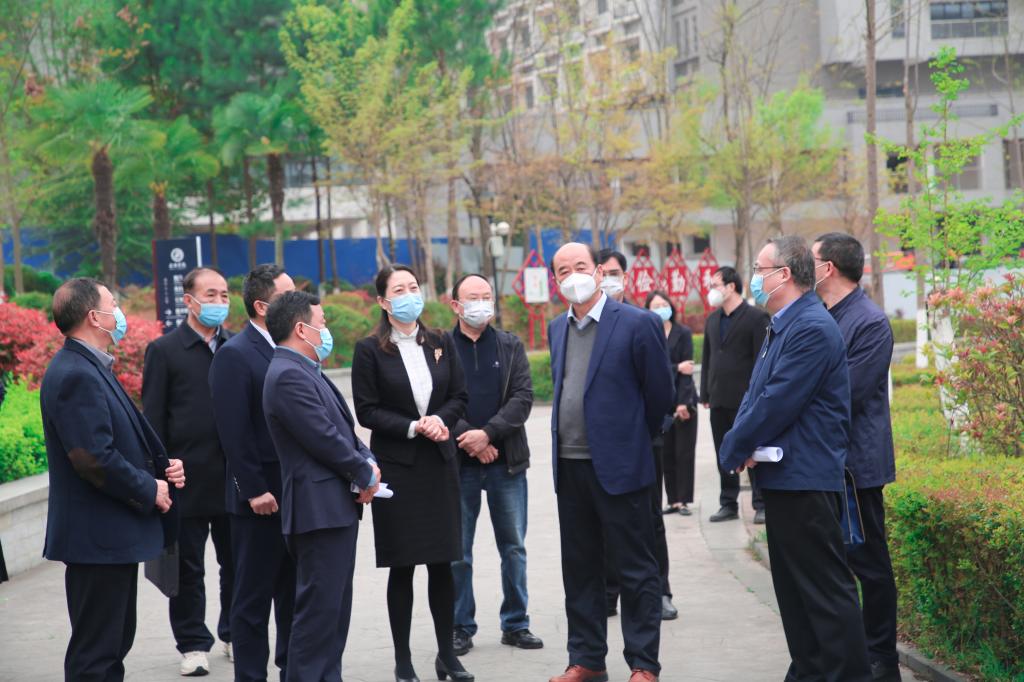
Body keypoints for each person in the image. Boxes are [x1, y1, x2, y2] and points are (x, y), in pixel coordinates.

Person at [719, 236, 871, 681]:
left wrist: (734, 447)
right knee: (795, 595)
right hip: (785, 479)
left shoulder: (810, 327)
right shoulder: (784, 323)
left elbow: (776, 401)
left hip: (806, 480)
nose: (754, 278)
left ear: (783, 274)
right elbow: (755, 394)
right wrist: (741, 442)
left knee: (824, 593)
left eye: (759, 269)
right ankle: (809, 671)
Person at [40, 277, 185, 681]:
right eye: (113, 304)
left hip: (108, 540)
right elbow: (93, 458)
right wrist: (149, 488)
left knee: (113, 645)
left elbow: (115, 443)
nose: (119, 312)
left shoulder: (91, 367)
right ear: (94, 317)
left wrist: (162, 469)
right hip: (96, 541)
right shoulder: (76, 374)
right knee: (97, 655)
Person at [547, 243, 674, 682]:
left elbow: (660, 395)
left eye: (580, 266)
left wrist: (631, 441)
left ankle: (643, 663)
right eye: (564, 270)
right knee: (580, 568)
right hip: (570, 466)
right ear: (555, 281)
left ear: (599, 272)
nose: (573, 276)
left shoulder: (637, 323)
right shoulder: (557, 328)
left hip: (622, 468)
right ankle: (586, 659)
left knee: (636, 568)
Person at [351, 265, 473, 682]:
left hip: (439, 464)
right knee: (402, 566)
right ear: (383, 301)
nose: (409, 295)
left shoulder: (440, 341)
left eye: (413, 287)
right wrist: (412, 426)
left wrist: (440, 420)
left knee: (443, 562)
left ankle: (447, 656)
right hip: (399, 469)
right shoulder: (370, 349)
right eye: (399, 290)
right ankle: (403, 661)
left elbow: (459, 395)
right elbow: (366, 410)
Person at [262, 291, 379, 682]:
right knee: (317, 617)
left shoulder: (306, 369)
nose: (325, 330)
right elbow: (323, 438)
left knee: (333, 614)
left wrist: (367, 461)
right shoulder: (287, 375)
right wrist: (363, 473)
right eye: (322, 323)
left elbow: (343, 431)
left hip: (333, 508)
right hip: (317, 512)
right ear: (301, 329)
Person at [813, 233, 900, 682]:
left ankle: (882, 656)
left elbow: (846, 394)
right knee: (833, 565)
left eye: (811, 259)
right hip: (823, 464)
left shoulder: (869, 322)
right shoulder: (823, 315)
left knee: (870, 564)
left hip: (856, 467)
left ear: (828, 267)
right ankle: (846, 652)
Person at [142, 267, 234, 676]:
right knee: (187, 569)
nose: (219, 302)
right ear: (189, 300)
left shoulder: (235, 347)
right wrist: (160, 474)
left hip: (234, 480)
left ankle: (234, 631)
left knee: (238, 563)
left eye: (224, 294)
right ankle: (193, 643)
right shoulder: (165, 351)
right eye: (210, 294)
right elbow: (153, 419)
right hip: (186, 480)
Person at [446, 274, 542, 657]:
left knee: (513, 547)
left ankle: (516, 623)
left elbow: (522, 398)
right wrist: (471, 440)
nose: (481, 303)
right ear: (456, 305)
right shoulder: (439, 348)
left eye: (487, 296)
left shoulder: (510, 344)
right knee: (458, 552)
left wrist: (487, 435)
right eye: (473, 297)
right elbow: (433, 400)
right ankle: (460, 626)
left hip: (507, 463)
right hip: (458, 464)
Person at [209, 264, 297, 682]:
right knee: (252, 599)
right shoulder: (235, 354)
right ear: (262, 306)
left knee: (294, 595)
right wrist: (253, 489)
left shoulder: (294, 347)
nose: (298, 302)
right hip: (260, 500)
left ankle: (292, 670)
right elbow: (233, 430)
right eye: (287, 295)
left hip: (297, 493)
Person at [699, 266, 770, 524]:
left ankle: (760, 503)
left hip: (746, 400)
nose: (711, 291)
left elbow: (762, 360)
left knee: (752, 451)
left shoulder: (756, 318)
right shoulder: (712, 320)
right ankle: (728, 502)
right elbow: (708, 358)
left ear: (731, 286)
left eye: (715, 285)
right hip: (718, 397)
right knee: (724, 451)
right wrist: (705, 392)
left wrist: (758, 396)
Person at [645, 291, 697, 519]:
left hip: (683, 401)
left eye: (663, 304)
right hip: (660, 403)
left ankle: (684, 500)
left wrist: (683, 403)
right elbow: (652, 369)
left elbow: (688, 371)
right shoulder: (648, 334)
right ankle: (673, 499)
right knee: (665, 454)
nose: (660, 309)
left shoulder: (682, 332)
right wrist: (676, 367)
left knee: (684, 453)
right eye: (655, 306)